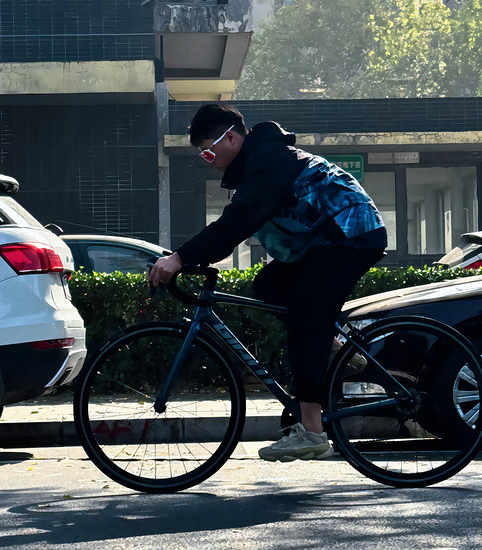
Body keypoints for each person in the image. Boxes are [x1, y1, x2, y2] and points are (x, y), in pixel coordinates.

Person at [147, 105, 387, 461]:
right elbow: (239, 221)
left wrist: (180, 257)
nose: (207, 160)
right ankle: (333, 349)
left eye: (208, 151)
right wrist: (189, 255)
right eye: (202, 154)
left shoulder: (268, 159)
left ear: (231, 138)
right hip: (330, 238)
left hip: (352, 234)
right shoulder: (260, 160)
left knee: (307, 320)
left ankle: (313, 432)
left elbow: (238, 222)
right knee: (269, 286)